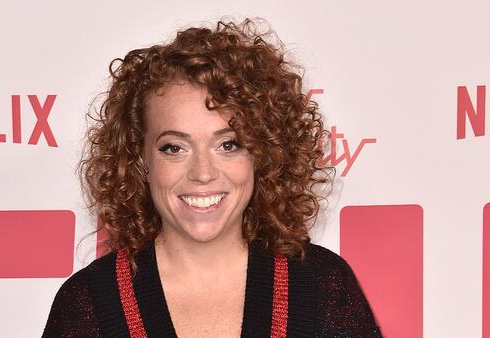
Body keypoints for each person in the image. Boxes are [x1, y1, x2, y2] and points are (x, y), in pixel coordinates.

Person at [43, 18, 382, 338]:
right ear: (139, 158)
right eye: (174, 148)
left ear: (262, 152)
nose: (203, 173)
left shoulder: (323, 286)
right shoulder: (86, 304)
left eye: (228, 144)